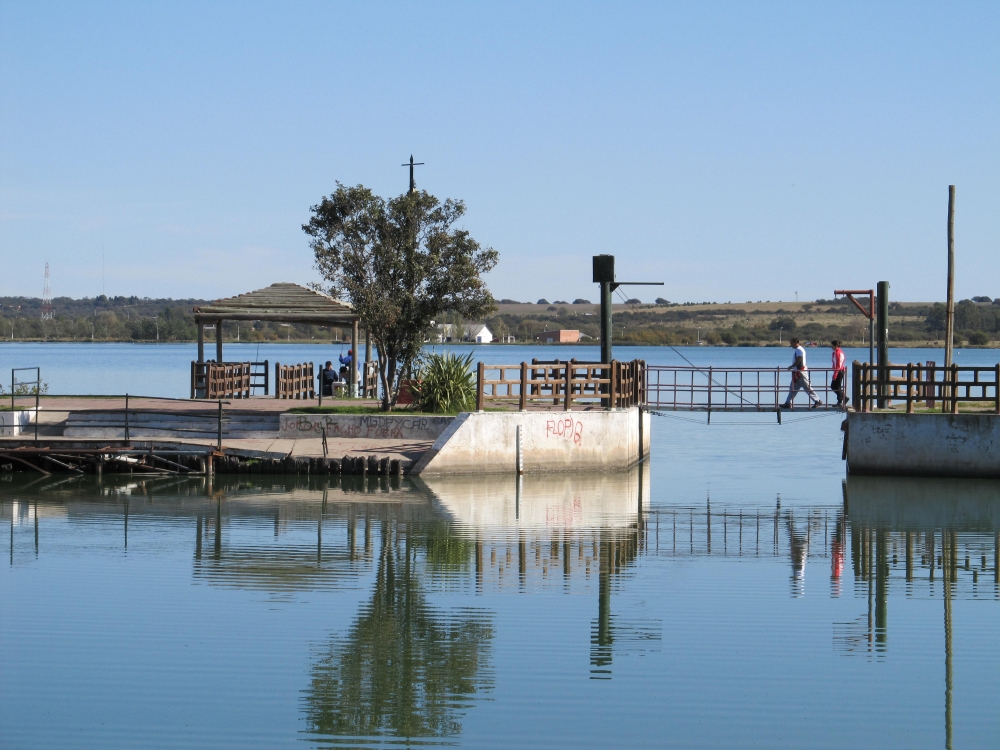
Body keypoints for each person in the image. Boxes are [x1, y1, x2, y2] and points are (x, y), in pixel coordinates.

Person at [780, 337, 822, 409]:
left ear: (795, 342)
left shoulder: (799, 349)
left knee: (807, 387)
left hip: (800, 372)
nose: (790, 344)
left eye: (791, 342)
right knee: (793, 388)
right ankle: (788, 403)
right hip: (797, 372)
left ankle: (817, 400)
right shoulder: (798, 349)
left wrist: (792, 366)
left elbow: (800, 359)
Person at [830, 340, 847, 406]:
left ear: (836, 346)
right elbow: (835, 363)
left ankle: (841, 400)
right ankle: (842, 398)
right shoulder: (835, 353)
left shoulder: (838, 353)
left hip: (839, 371)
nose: (831, 347)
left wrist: (835, 374)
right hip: (838, 371)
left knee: (836, 386)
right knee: (835, 386)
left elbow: (838, 365)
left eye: (832, 345)